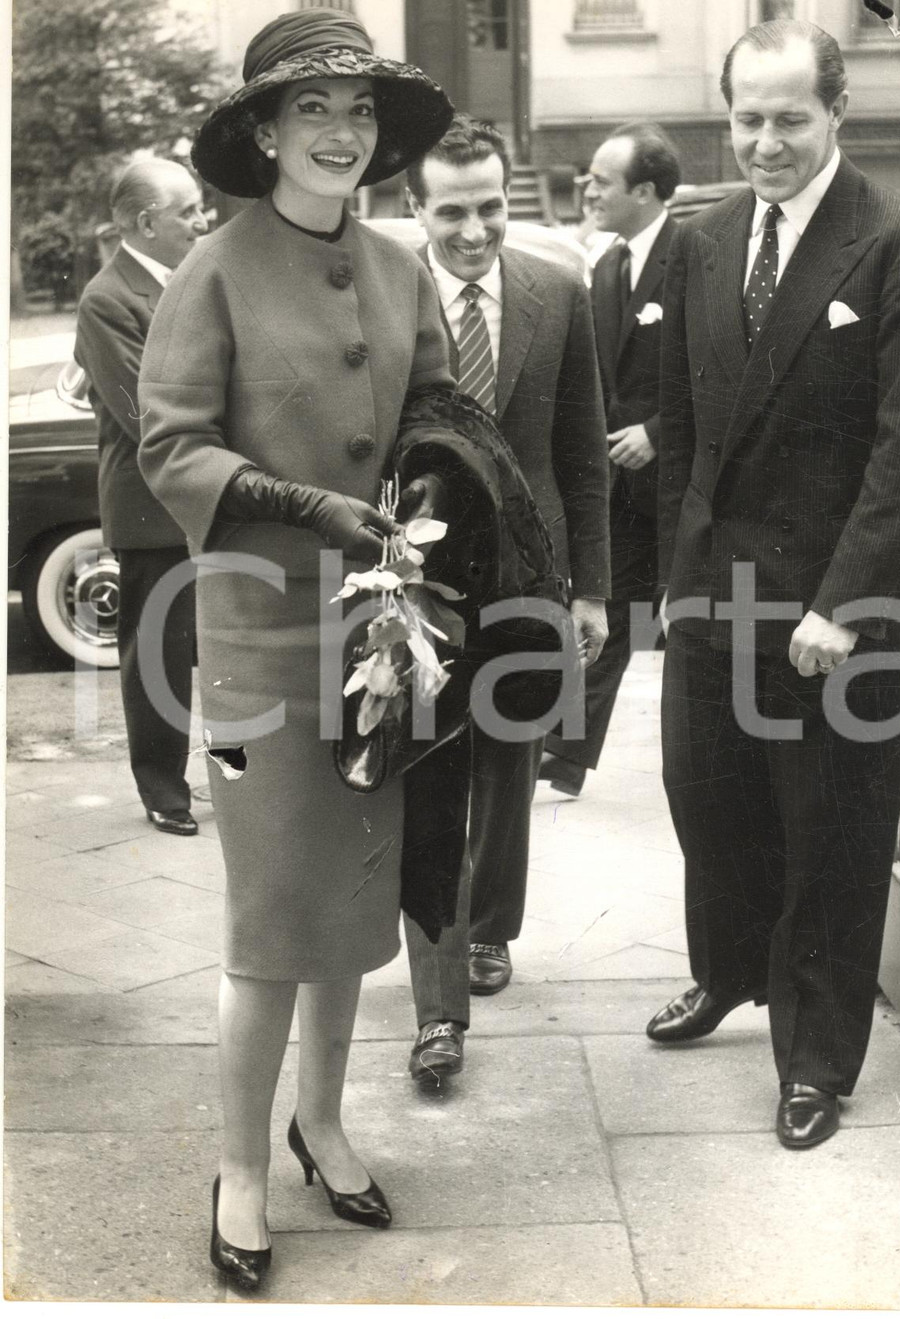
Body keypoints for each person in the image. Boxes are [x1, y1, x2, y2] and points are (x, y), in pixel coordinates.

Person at [136, 9, 456, 1290]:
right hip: (264, 651)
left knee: (352, 916)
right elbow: (168, 445)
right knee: (272, 927)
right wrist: (294, 501)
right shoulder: (210, 270)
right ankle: (241, 1172)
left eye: (359, 111)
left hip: (385, 641)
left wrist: (449, 503)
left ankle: (322, 1126)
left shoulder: (400, 264)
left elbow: (438, 422)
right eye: (312, 109)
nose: (340, 131)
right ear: (263, 131)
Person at [649, 19, 900, 1149]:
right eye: (748, 119)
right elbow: (682, 421)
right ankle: (731, 970)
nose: (766, 143)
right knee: (709, 802)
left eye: (790, 118)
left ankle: (817, 1059)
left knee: (829, 838)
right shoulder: (701, 237)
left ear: (837, 113)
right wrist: (675, 577)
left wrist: (841, 604)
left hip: (843, 607)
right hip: (714, 596)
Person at [401, 116, 611, 1079]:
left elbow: (582, 457)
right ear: (416, 209)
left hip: (533, 576)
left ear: (510, 198)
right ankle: (436, 1006)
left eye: (490, 206)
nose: (475, 230)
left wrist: (592, 591)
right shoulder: (387, 297)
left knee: (509, 768)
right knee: (431, 774)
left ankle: (491, 928)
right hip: (425, 578)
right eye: (452, 211)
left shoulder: (558, 293)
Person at [539, 122, 680, 798]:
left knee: (704, 628)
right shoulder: (606, 264)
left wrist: (658, 431)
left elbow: (724, 369)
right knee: (612, 618)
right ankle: (563, 756)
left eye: (602, 180)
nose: (587, 190)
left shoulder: (695, 255)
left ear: (646, 191)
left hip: (686, 487)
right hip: (621, 490)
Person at [74, 158, 207, 835]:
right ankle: (163, 790)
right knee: (156, 656)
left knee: (219, 647)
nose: (203, 219)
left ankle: (220, 774)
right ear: (147, 222)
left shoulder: (190, 278)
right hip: (154, 508)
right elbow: (141, 410)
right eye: (188, 210)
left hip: (206, 494)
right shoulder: (107, 298)